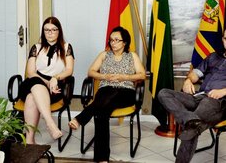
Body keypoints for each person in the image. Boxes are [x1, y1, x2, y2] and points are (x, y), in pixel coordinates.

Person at [158, 26, 226, 163]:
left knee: (192, 127)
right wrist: (188, 80)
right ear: (222, 40)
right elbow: (195, 74)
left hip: (220, 103)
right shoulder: (213, 57)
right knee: (164, 93)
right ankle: (190, 119)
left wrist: (223, 91)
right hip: (198, 97)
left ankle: (191, 123)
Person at [69, 26, 145, 163]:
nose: (113, 43)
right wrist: (104, 76)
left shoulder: (132, 56)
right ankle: (102, 159)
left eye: (117, 40)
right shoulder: (104, 55)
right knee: (101, 112)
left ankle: (80, 118)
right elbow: (91, 72)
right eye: (111, 40)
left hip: (126, 93)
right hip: (105, 92)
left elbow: (142, 75)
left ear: (125, 42)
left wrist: (124, 77)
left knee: (111, 93)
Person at [19, 16, 75, 144]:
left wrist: (55, 78)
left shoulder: (67, 47)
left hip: (55, 88)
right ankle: (50, 123)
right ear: (43, 32)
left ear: (59, 31)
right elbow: (31, 72)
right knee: (34, 82)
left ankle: (29, 140)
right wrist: (47, 82)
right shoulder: (36, 47)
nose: (50, 33)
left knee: (31, 98)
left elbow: (69, 70)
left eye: (54, 30)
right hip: (34, 82)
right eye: (47, 30)